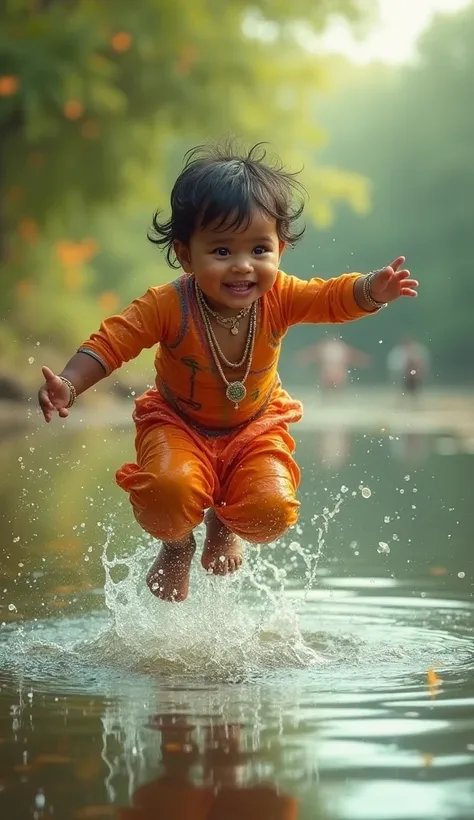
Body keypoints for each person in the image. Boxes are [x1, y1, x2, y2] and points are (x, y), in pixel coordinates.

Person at [37, 141, 419, 603]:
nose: (243, 266)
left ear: (280, 248)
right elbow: (114, 341)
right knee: (166, 489)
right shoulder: (168, 304)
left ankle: (224, 522)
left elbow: (329, 298)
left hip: (256, 427)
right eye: (221, 250)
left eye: (259, 249)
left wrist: (371, 290)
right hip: (177, 424)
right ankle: (176, 545)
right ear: (185, 254)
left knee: (271, 508)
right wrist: (71, 383)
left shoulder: (280, 297)